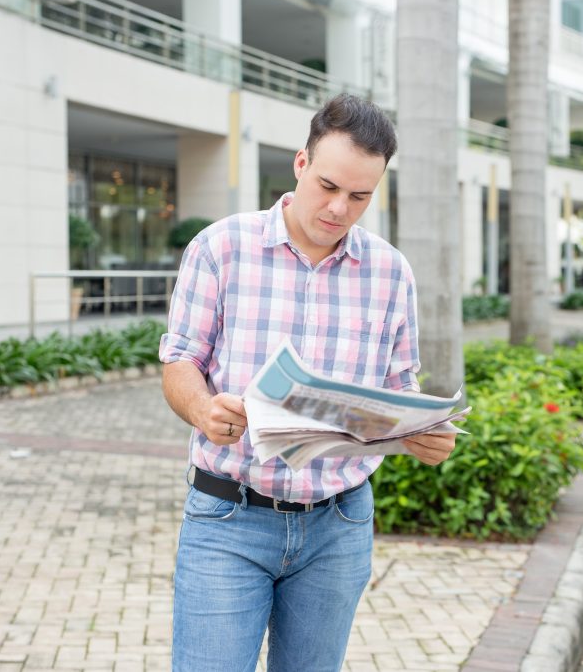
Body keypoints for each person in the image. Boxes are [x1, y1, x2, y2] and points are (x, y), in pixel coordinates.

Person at [158, 93, 457, 672]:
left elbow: (400, 384)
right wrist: (202, 409)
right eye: (328, 186)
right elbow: (180, 361)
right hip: (229, 518)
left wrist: (423, 430)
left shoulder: (391, 273)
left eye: (360, 196)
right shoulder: (220, 248)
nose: (340, 208)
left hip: (338, 526)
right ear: (301, 163)